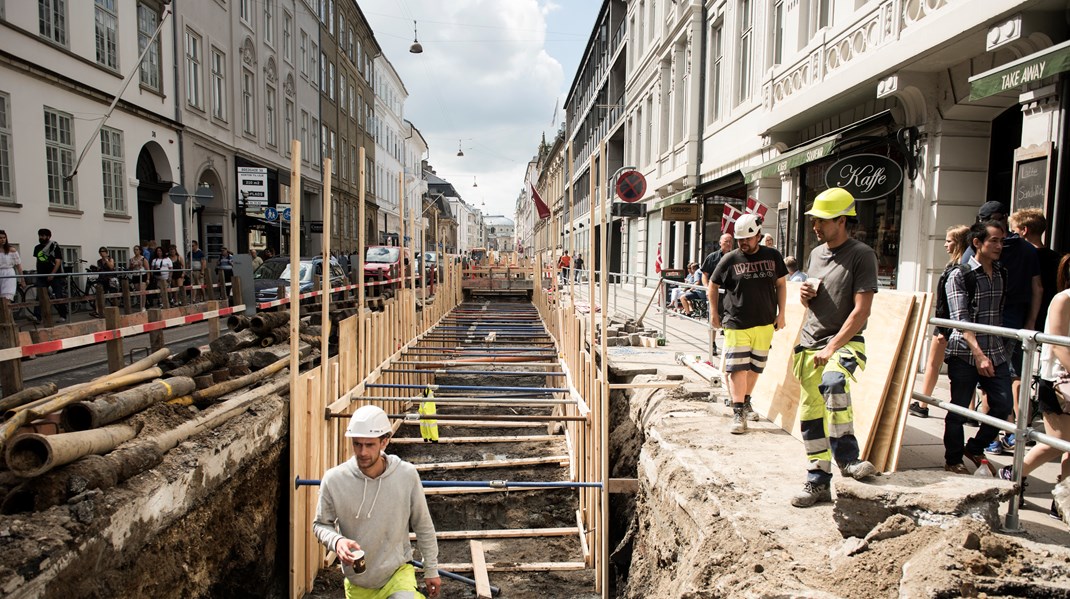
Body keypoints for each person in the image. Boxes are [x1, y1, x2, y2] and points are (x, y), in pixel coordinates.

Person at [791, 188, 878, 508]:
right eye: (814, 219)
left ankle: (848, 458)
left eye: (822, 220)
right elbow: (816, 295)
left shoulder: (862, 255)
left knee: (834, 381)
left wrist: (832, 348)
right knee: (812, 416)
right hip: (809, 345)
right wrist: (804, 296)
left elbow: (861, 312)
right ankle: (818, 480)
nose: (815, 225)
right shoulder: (816, 254)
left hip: (843, 343)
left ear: (842, 220)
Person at [314, 405, 441, 599]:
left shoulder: (406, 475)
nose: (362, 452)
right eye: (357, 444)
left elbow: (423, 525)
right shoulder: (334, 480)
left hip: (397, 574)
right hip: (359, 580)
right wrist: (337, 541)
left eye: (369, 445)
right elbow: (321, 524)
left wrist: (431, 569)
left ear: (384, 441)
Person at [961, 201, 1040, 456]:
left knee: (995, 382)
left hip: (995, 323)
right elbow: (1037, 288)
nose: (997, 246)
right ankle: (1008, 432)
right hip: (1011, 322)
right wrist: (1030, 322)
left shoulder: (979, 249)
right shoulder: (1028, 249)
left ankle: (995, 437)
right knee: (1010, 378)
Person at [1000, 253, 1070, 520]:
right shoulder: (1063, 299)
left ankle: (1061, 499)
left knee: (1068, 443)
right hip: (1058, 381)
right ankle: (1014, 471)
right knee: (1058, 441)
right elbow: (1058, 344)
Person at [942, 220, 1013, 476]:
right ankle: (953, 459)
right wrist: (978, 355)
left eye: (1001, 241)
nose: (999, 246)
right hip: (965, 352)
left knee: (1003, 405)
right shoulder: (959, 275)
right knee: (959, 408)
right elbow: (960, 321)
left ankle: (975, 446)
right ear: (977, 243)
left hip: (994, 350)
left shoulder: (1002, 272)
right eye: (993, 240)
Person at [709, 214, 787, 433]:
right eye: (739, 239)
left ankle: (745, 401)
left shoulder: (773, 256)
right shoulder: (730, 259)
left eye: (748, 239)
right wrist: (715, 313)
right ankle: (738, 413)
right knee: (737, 368)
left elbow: (781, 284)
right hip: (736, 321)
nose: (743, 243)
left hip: (764, 322)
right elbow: (712, 285)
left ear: (758, 236)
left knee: (755, 367)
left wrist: (782, 313)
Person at [912, 224, 971, 418]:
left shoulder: (956, 269)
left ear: (959, 243)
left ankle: (923, 404)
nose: (945, 244)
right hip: (959, 324)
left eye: (949, 241)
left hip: (946, 323)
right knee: (967, 367)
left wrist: (943, 328)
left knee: (932, 364)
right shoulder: (970, 267)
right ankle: (970, 413)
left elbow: (947, 302)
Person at [701, 234, 735, 355]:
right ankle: (713, 344)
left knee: (729, 320)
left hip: (730, 295)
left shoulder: (735, 257)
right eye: (726, 241)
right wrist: (706, 288)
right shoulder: (712, 257)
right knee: (713, 319)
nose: (729, 243)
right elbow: (704, 274)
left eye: (731, 241)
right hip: (715, 293)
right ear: (720, 243)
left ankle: (728, 345)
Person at [32, 228, 67, 323]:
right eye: (40, 235)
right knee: (40, 295)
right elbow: (38, 260)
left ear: (48, 237)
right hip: (42, 275)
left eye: (44, 236)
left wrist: (52, 273)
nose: (41, 237)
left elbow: (58, 261)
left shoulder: (54, 246)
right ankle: (37, 316)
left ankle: (63, 315)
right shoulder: (37, 248)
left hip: (55, 276)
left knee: (58, 295)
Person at [0, 230, 24, 301]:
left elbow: (18, 266)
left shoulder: (12, 250)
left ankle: (8, 311)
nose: (2, 239)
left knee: (7, 296)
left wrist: (22, 280)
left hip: (9, 273)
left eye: (4, 237)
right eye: (0, 238)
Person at [128, 245, 148, 309]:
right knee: (137, 291)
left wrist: (148, 278)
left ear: (140, 251)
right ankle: (140, 303)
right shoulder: (132, 259)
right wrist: (132, 266)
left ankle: (143, 306)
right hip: (135, 275)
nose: (135, 251)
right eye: (134, 250)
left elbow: (148, 269)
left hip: (142, 275)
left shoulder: (143, 259)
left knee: (142, 290)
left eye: (137, 250)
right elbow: (130, 269)